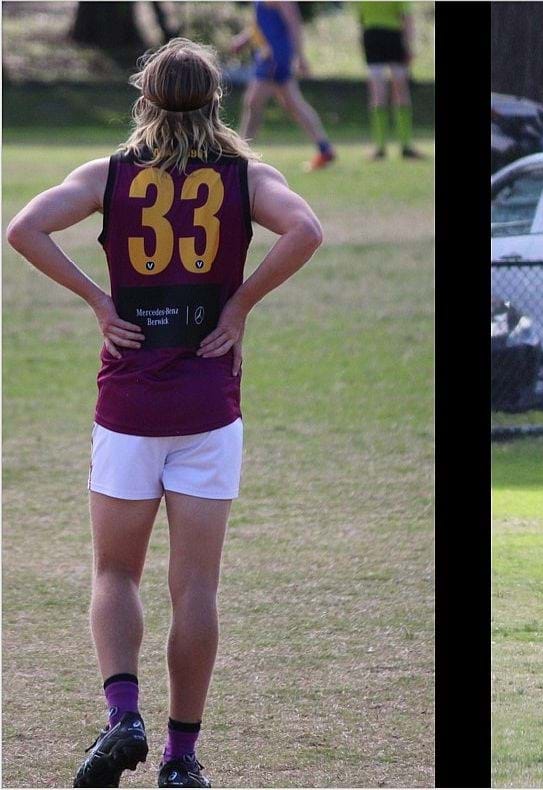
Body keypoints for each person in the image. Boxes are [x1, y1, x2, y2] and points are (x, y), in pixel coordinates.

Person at [6, 38, 324, 787]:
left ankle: (124, 716)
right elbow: (307, 229)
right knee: (197, 589)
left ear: (144, 99)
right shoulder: (246, 176)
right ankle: (181, 761)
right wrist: (240, 303)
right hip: (208, 404)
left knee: (115, 572)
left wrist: (97, 299)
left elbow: (21, 227)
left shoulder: (109, 175)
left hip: (128, 404)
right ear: (217, 100)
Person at [232, 0, 337, 171]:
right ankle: (325, 148)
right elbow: (261, 24)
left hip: (275, 56)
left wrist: (300, 57)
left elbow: (294, 23)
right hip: (271, 55)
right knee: (292, 103)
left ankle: (239, 154)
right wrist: (244, 40)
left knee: (253, 102)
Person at [356, 1, 425, 161]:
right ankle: (406, 145)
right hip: (394, 37)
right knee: (401, 90)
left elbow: (360, 18)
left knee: (377, 91)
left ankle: (380, 147)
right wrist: (409, 46)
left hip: (371, 36)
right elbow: (407, 18)